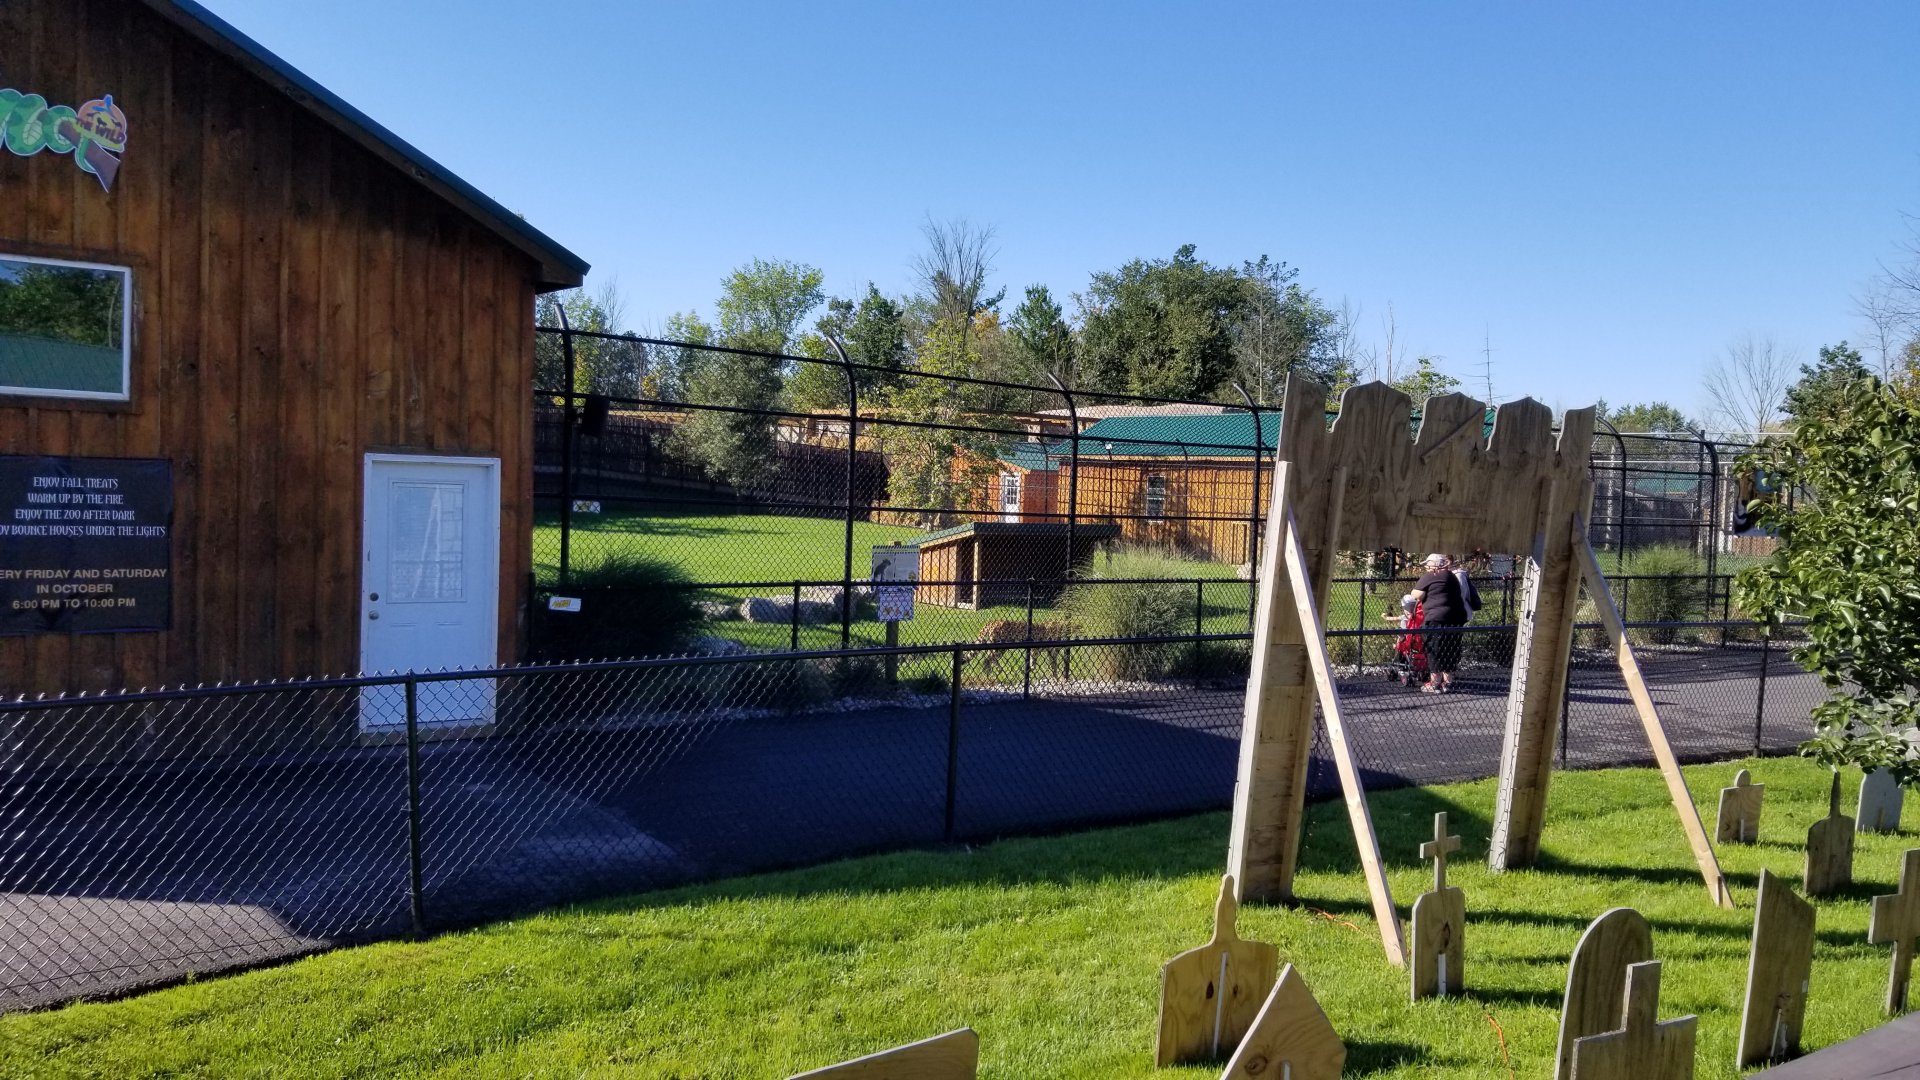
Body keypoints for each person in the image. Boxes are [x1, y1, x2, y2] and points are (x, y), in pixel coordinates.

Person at [1413, 552, 1469, 693]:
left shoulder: (1431, 576)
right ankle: (1448, 683)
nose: (1426, 566)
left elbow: (1415, 594)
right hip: (1456, 618)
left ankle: (1435, 683)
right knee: (1450, 648)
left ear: (1435, 565)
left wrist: (1425, 595)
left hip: (1436, 618)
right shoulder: (1452, 576)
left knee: (1434, 649)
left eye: (1428, 564)